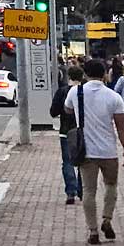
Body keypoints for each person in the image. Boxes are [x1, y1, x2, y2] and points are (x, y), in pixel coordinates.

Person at [73, 57, 124, 246]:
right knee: (111, 186)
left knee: (88, 191)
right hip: (108, 151)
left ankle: (93, 231)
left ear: (85, 74)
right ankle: (107, 219)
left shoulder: (76, 92)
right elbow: (122, 128)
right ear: (105, 74)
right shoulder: (114, 97)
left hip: (86, 152)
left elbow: (66, 109)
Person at [52, 63, 83, 205]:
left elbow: (53, 112)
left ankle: (71, 192)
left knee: (68, 161)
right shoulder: (85, 91)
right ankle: (82, 190)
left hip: (65, 131)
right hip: (83, 131)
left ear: (69, 76)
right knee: (84, 161)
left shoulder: (62, 92)